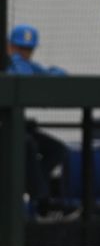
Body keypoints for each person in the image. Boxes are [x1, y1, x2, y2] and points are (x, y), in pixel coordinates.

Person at [6, 24, 71, 219]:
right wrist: (14, 59)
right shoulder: (7, 63)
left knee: (57, 149)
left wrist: (28, 65)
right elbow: (22, 77)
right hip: (6, 128)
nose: (24, 53)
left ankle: (35, 192)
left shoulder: (26, 65)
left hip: (19, 126)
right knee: (27, 144)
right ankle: (43, 203)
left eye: (28, 49)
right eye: (19, 48)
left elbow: (57, 75)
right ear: (9, 46)